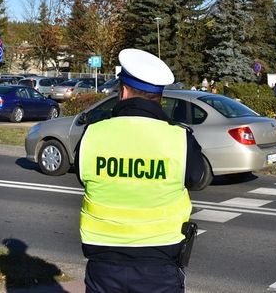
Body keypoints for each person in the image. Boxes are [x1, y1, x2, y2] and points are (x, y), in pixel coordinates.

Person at [76, 48, 208, 293]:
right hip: (158, 267)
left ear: (124, 91)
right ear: (159, 98)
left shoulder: (93, 134)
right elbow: (198, 178)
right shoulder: (179, 139)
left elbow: (83, 176)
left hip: (103, 267)